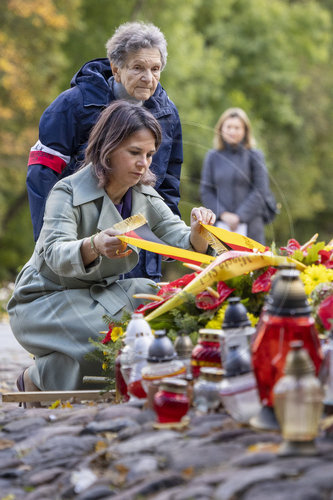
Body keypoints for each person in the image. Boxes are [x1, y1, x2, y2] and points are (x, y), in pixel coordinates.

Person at [8, 101, 215, 394]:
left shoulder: (145, 195)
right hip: (43, 301)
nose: (144, 163)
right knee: (120, 336)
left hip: (95, 296)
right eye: (134, 153)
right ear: (108, 147)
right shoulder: (66, 191)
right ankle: (38, 379)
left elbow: (181, 241)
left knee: (162, 304)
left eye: (149, 154)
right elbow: (53, 253)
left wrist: (198, 232)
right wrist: (95, 245)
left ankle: (48, 371)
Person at [26, 21, 183, 280]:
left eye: (155, 69)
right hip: (83, 245)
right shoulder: (71, 106)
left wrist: (167, 243)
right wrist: (48, 247)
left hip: (140, 251)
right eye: (138, 68)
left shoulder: (168, 114)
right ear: (116, 68)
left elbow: (168, 184)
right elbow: (41, 178)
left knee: (137, 317)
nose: (148, 78)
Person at [200, 107, 271, 244]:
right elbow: (206, 191)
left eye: (237, 128)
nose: (232, 131)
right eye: (229, 127)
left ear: (245, 131)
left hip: (251, 227)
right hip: (220, 225)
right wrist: (223, 214)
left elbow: (260, 190)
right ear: (221, 129)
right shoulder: (212, 157)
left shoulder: (255, 156)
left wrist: (239, 216)